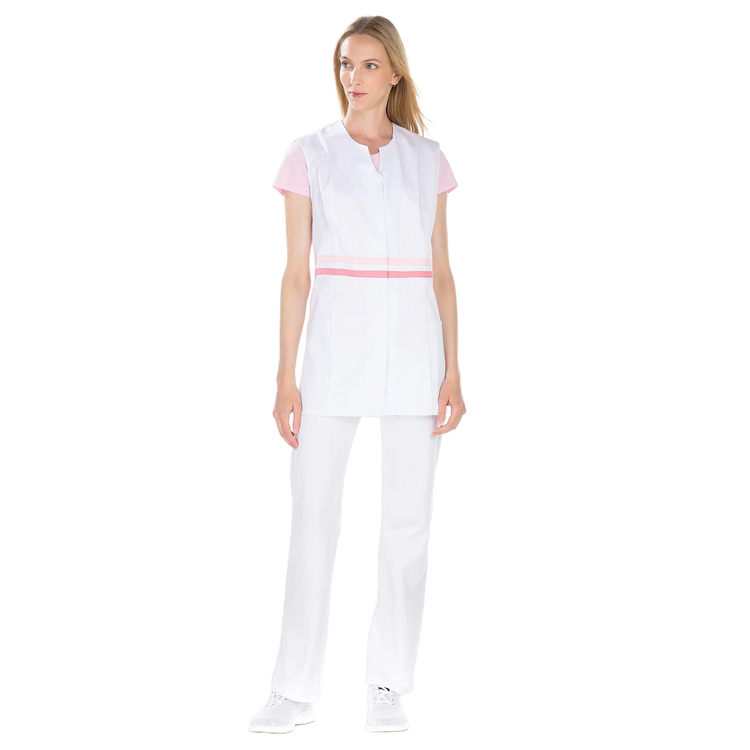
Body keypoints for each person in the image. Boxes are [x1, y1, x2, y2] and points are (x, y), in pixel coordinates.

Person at [247, 11, 468, 737]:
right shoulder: (308, 152)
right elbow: (294, 275)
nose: (354, 77)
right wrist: (285, 378)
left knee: (406, 526)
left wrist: (454, 372)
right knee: (313, 520)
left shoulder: (427, 158)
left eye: (370, 64)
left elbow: (443, 272)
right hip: (332, 355)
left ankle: (387, 685)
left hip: (415, 355)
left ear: (395, 71)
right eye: (346, 64)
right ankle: (292, 691)